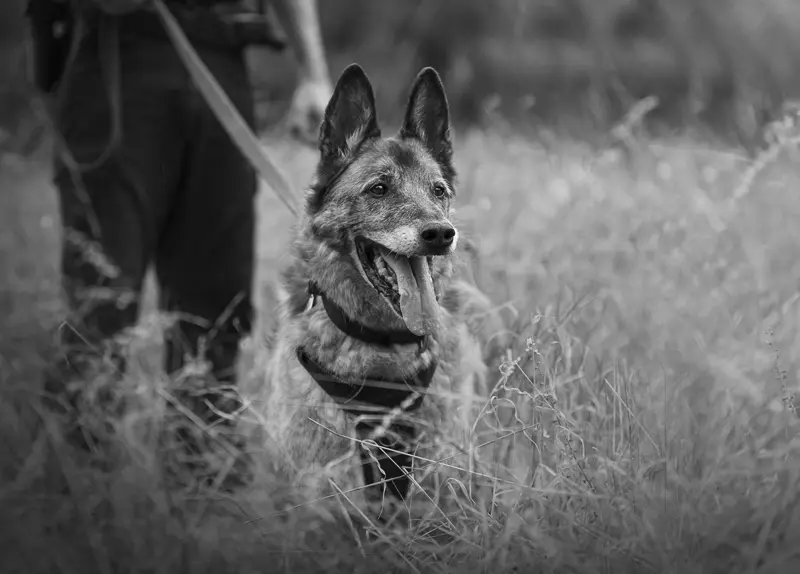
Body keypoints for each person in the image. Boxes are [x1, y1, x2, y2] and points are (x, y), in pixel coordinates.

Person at [32, 0, 332, 488]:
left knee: (217, 300)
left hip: (222, 55)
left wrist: (315, 74)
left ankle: (205, 487)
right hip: (117, 52)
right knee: (102, 301)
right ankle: (75, 496)